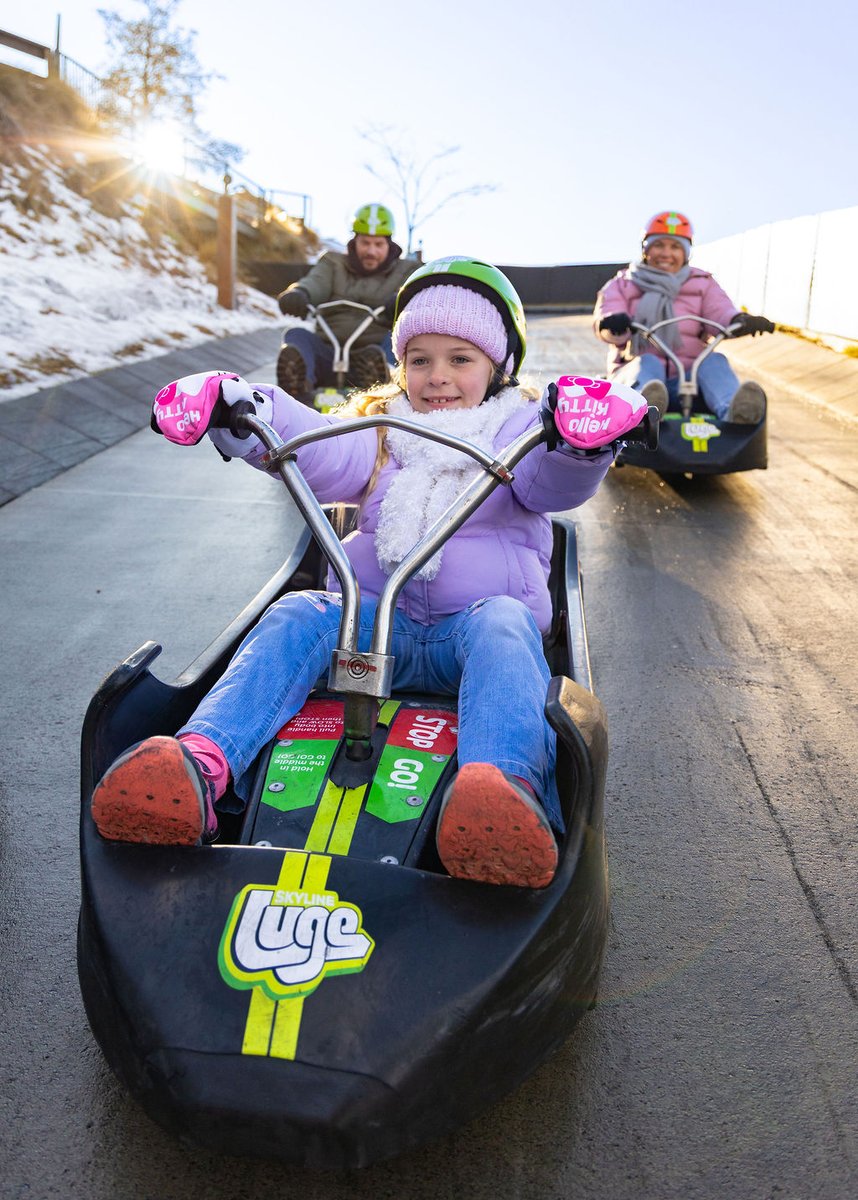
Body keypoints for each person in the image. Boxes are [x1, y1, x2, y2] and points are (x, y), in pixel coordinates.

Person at [91, 257, 644, 889]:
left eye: (460, 359)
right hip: (373, 628)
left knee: (504, 623)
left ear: (500, 366)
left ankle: (503, 796)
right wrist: (244, 407)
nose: (437, 376)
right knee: (299, 612)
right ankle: (199, 764)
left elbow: (554, 485)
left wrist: (579, 443)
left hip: (472, 634)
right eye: (419, 359)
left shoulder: (523, 428)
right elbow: (319, 446)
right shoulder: (385, 427)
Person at [594, 211, 775, 423]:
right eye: (658, 245)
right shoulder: (623, 284)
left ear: (686, 253)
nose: (666, 253)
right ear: (645, 249)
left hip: (690, 379)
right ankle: (644, 412)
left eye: (675, 247)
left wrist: (739, 321)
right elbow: (607, 313)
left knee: (714, 361)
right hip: (636, 376)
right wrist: (614, 322)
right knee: (648, 362)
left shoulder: (702, 282)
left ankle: (736, 414)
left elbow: (720, 311)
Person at [275, 203, 416, 403]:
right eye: (365, 243)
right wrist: (299, 292)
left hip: (375, 352)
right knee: (296, 335)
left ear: (390, 245)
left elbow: (414, 289)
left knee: (396, 340)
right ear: (354, 241)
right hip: (327, 352)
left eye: (378, 244)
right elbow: (315, 282)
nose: (371, 251)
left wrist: (403, 298)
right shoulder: (333, 263)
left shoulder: (406, 270)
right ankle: (296, 391)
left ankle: (384, 382)